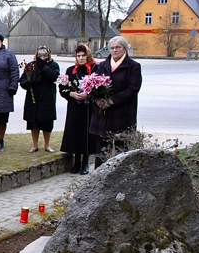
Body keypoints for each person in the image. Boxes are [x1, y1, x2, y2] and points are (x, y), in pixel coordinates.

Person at [89, 36, 142, 167]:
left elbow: (132, 89)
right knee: (101, 152)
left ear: (124, 48)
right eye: (112, 48)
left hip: (122, 115)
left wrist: (111, 101)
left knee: (121, 151)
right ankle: (98, 180)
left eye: (118, 47)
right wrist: (98, 100)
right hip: (103, 115)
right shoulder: (102, 65)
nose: (114, 50)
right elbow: (93, 85)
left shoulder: (133, 67)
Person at [59, 45, 96, 174]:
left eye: (83, 55)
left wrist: (88, 94)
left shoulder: (94, 69)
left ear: (88, 55)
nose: (81, 58)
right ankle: (76, 162)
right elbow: (63, 87)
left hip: (88, 108)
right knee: (75, 133)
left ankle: (85, 162)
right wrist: (71, 94)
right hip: (74, 107)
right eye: (78, 56)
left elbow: (99, 88)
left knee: (86, 134)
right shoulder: (71, 70)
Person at [20, 46, 60, 153]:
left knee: (47, 123)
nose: (42, 58)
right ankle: (34, 145)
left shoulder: (53, 65)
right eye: (40, 56)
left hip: (47, 98)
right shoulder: (31, 66)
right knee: (34, 122)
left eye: (45, 56)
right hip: (33, 98)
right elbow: (22, 79)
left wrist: (43, 65)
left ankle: (47, 145)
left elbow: (53, 77)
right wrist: (26, 83)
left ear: (48, 55)